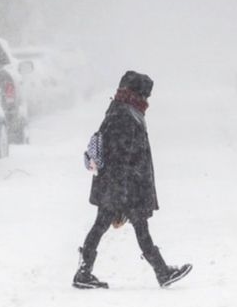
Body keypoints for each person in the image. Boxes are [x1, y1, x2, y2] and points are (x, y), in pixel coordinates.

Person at [73, 70, 191, 289]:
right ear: (137, 94)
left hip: (120, 185)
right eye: (145, 96)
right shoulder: (125, 116)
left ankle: (84, 271)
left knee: (108, 226)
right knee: (129, 227)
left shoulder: (123, 110)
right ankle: (161, 272)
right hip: (124, 186)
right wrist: (122, 194)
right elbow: (121, 156)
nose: (147, 101)